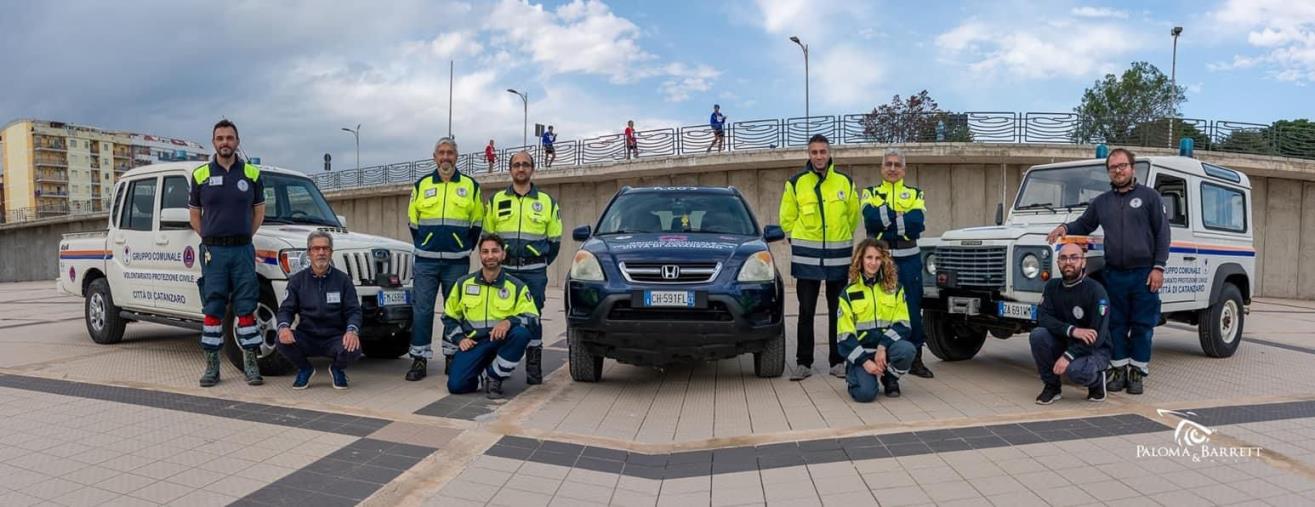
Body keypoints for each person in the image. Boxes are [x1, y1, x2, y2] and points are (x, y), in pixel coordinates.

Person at [1046, 148, 1169, 395]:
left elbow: (1163, 234)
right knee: (1116, 325)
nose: (1118, 171)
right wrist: (1064, 227)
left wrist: (1158, 267)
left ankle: (1137, 373)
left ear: (1132, 168)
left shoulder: (1150, 197)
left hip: (1144, 274)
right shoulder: (1102, 202)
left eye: (1122, 166)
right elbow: (1085, 223)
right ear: (1109, 172)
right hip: (1115, 274)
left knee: (1143, 325)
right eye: (1113, 168)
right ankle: (1119, 370)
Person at [189, 119, 265, 387]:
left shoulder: (252, 174)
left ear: (237, 141)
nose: (225, 142)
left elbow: (259, 211)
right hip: (214, 252)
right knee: (213, 307)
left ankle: (251, 364)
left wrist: (245, 236)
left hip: (242, 249)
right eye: (220, 138)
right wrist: (208, 237)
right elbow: (194, 214)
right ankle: (212, 366)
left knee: (246, 306)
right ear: (213, 142)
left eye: (229, 138)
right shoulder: (200, 175)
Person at [779, 134, 860, 380]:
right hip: (807, 261)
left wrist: (842, 237)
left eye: (822, 151)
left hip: (838, 259)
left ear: (829, 153)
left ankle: (837, 361)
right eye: (814, 152)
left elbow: (853, 216)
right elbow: (787, 218)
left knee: (839, 312)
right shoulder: (795, 183)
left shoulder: (845, 182)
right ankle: (804, 363)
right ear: (809, 154)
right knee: (806, 312)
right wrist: (797, 240)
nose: (819, 156)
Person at [407, 137, 485, 381]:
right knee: (422, 310)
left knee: (456, 311)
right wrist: (427, 243)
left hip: (457, 261)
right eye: (441, 153)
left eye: (450, 153)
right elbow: (413, 222)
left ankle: (453, 355)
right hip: (426, 261)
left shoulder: (471, 186)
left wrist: (464, 247)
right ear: (434, 157)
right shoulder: (421, 185)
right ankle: (419, 358)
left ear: (456, 157)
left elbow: (477, 223)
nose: (445, 157)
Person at [483, 151, 562, 384]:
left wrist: (539, 261)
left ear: (532, 169)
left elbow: (555, 241)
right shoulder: (497, 200)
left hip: (534, 272)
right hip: (504, 271)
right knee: (498, 315)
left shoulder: (546, 202)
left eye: (525, 164)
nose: (521, 168)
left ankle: (533, 366)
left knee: (533, 316)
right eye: (516, 164)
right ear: (510, 170)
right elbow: (489, 238)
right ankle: (496, 367)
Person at [861, 148, 934, 378]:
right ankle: (880, 355)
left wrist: (887, 220)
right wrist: (899, 218)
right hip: (880, 260)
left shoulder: (915, 194)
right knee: (879, 308)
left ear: (904, 170)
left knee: (912, 308)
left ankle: (916, 359)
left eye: (897, 165)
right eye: (888, 164)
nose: (892, 169)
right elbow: (870, 222)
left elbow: (916, 223)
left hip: (909, 260)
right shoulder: (869, 192)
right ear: (882, 168)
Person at [441, 234, 540, 398]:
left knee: (521, 333)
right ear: (480, 255)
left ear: (503, 254)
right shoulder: (464, 284)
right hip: (475, 343)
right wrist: (460, 339)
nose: (490, 256)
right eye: (485, 252)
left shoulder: (516, 286)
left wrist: (509, 322)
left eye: (495, 251)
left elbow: (533, 318)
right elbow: (449, 317)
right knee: (456, 386)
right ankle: (482, 375)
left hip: (502, 342)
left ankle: (495, 376)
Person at [275, 231, 363, 390]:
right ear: (309, 253)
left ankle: (337, 368)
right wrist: (284, 327)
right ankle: (305, 369)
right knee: (280, 339)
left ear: (331, 252)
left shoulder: (343, 280)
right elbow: (286, 310)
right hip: (307, 336)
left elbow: (354, 311)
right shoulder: (297, 281)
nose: (321, 252)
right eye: (316, 249)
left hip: (335, 337)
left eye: (325, 248)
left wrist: (351, 331)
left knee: (354, 347)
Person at [1031, 241, 1112, 404]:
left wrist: (1068, 357)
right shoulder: (1052, 287)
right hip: (1067, 341)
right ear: (1058, 263)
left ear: (1083, 262)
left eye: (1074, 258)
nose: (1068, 262)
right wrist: (1071, 330)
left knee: (1076, 371)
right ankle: (1052, 387)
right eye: (1063, 258)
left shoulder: (1096, 291)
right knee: (1038, 335)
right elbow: (1043, 317)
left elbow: (1097, 336)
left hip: (1095, 349)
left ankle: (1097, 381)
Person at [836, 239, 917, 402]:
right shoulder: (849, 293)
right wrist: (865, 362)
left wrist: (882, 346)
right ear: (860, 259)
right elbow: (844, 336)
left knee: (907, 350)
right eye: (869, 258)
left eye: (878, 258)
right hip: (862, 353)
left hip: (885, 351)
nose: (873, 263)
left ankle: (889, 377)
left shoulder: (894, 288)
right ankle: (855, 374)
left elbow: (903, 325)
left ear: (883, 261)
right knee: (865, 395)